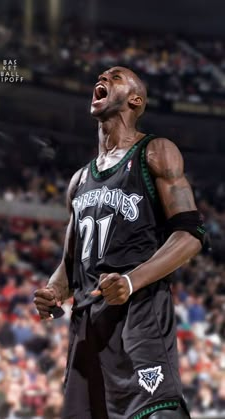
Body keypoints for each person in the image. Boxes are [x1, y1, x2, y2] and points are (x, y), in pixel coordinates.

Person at [34, 66, 205, 419]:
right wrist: (53, 290)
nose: (103, 79)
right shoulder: (79, 179)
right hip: (85, 327)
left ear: (135, 99)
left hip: (139, 315)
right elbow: (71, 260)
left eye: (115, 77)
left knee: (158, 413)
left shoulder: (155, 152)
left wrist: (130, 281)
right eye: (101, 77)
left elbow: (189, 235)